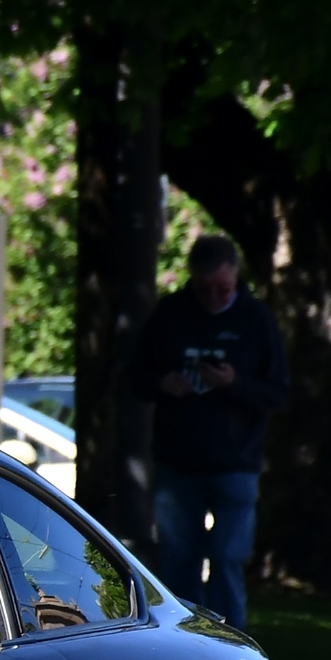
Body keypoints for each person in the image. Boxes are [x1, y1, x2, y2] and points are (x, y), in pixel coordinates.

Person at [126, 234, 289, 629]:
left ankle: (233, 643)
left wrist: (235, 383)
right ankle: (187, 644)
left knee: (227, 557)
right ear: (191, 280)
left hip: (236, 461)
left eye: (223, 289)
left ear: (236, 278)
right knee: (179, 561)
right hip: (179, 461)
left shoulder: (255, 320)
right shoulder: (170, 315)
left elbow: (278, 392)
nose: (215, 297)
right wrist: (165, 383)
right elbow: (135, 377)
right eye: (205, 289)